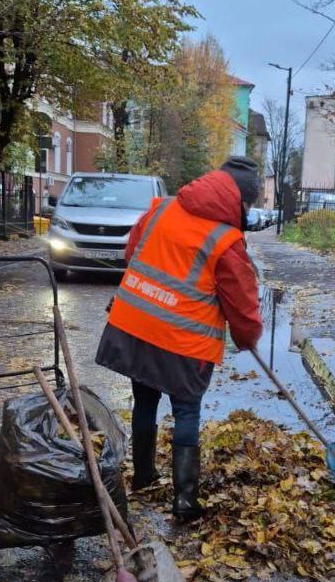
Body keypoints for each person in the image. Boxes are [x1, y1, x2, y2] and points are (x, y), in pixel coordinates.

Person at [95, 156, 264, 521]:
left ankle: (142, 477)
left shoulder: (161, 210)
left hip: (136, 328)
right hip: (184, 343)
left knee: (144, 399)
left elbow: (132, 253)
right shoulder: (227, 240)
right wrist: (248, 338)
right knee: (186, 410)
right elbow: (243, 304)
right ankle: (185, 501)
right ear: (241, 200)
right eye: (249, 204)